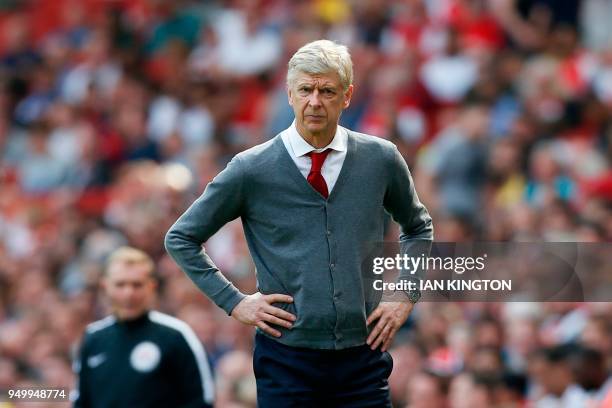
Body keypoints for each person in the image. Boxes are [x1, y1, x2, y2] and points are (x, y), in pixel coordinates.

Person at [165, 39, 433, 406]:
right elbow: (181, 238)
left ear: (348, 95)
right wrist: (234, 301)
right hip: (286, 359)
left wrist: (405, 293)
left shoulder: (380, 159)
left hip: (363, 356)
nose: (315, 101)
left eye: (327, 91)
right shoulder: (251, 168)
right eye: (305, 90)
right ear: (289, 94)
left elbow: (417, 226)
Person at [72, 247, 215, 408]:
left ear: (151, 287)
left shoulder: (176, 335)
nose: (129, 293)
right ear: (105, 287)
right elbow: (81, 401)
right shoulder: (93, 338)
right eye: (120, 285)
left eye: (137, 285)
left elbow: (201, 400)